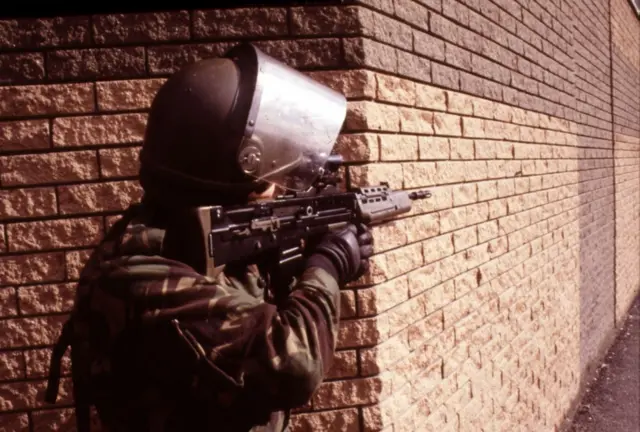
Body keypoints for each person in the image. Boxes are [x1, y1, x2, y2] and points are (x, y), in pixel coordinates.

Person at [44, 43, 373, 431]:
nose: (276, 183)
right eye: (264, 168)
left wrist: (291, 262)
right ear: (224, 172)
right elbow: (294, 363)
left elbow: (242, 317)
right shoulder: (136, 276)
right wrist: (327, 267)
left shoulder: (192, 238)